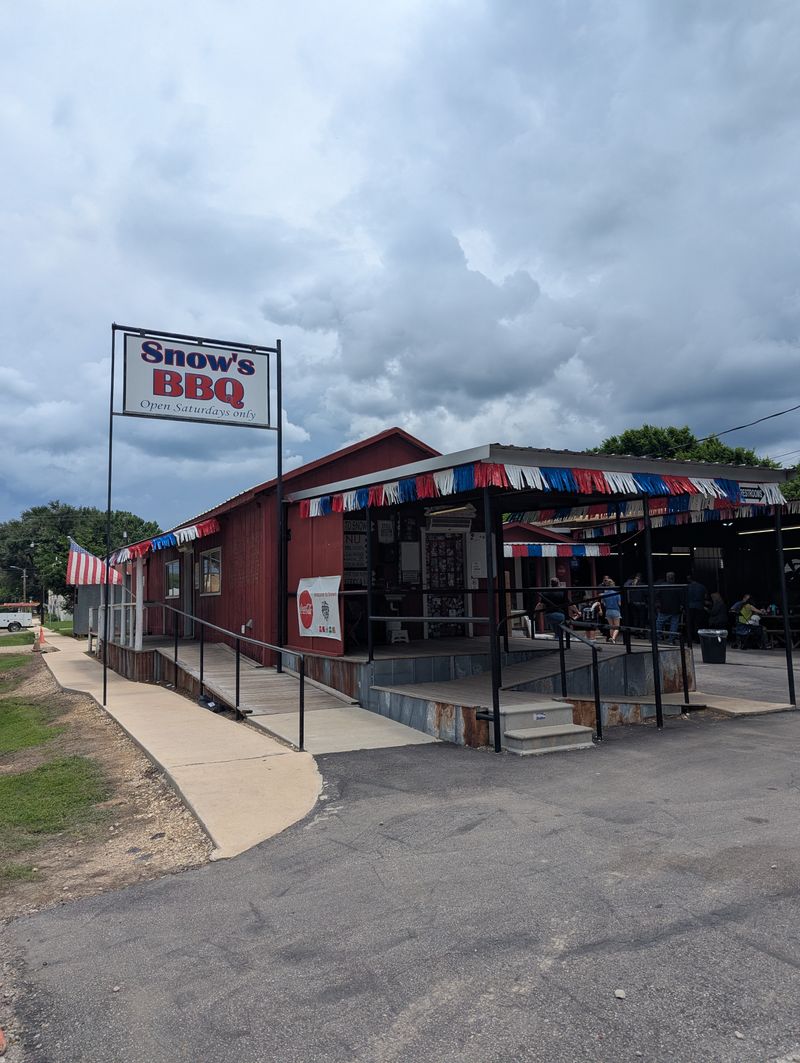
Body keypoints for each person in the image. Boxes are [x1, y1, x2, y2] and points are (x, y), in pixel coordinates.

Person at [655, 572, 683, 644]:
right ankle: (671, 639)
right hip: (675, 609)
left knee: (659, 623)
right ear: (674, 578)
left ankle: (658, 637)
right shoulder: (678, 587)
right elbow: (681, 598)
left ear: (667, 578)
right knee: (674, 624)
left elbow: (657, 596)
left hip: (664, 608)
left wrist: (658, 605)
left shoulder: (662, 586)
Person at [599, 576, 622, 644]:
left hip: (608, 611)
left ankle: (612, 640)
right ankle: (613, 638)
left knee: (611, 626)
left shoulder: (604, 594)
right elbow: (619, 604)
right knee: (617, 627)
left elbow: (603, 603)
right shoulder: (616, 593)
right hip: (615, 610)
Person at [686, 574, 708, 643]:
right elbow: (706, 597)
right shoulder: (702, 587)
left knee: (690, 623)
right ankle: (697, 639)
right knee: (698, 623)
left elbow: (684, 597)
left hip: (690, 606)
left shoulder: (687, 587)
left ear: (690, 579)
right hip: (699, 606)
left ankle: (689, 638)